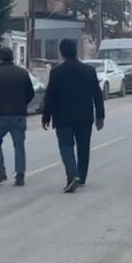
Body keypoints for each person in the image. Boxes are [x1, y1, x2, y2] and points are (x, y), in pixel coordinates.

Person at [40, 38, 105, 193]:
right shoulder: (88, 71)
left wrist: (46, 117)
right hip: (84, 117)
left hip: (63, 118)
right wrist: (100, 116)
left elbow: (50, 96)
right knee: (83, 148)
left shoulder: (56, 72)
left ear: (61, 52)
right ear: (75, 51)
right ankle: (81, 177)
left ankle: (72, 173)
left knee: (66, 146)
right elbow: (97, 95)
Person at [0, 46, 35, 187]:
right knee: (19, 146)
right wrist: (22, 104)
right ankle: (20, 175)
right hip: (19, 115)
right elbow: (31, 93)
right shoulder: (23, 73)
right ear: (12, 57)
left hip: (1, 115)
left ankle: (0, 172)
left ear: (0, 58)